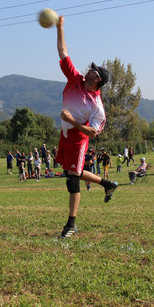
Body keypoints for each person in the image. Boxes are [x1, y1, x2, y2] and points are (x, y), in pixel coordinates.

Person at [53, 16, 118, 239]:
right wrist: (60, 28)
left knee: (72, 178)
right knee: (76, 172)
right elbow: (63, 52)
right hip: (65, 133)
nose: (88, 70)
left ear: (97, 80)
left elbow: (93, 132)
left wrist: (71, 121)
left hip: (78, 139)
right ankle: (108, 183)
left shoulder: (96, 105)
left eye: (93, 70)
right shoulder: (75, 79)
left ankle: (71, 225)